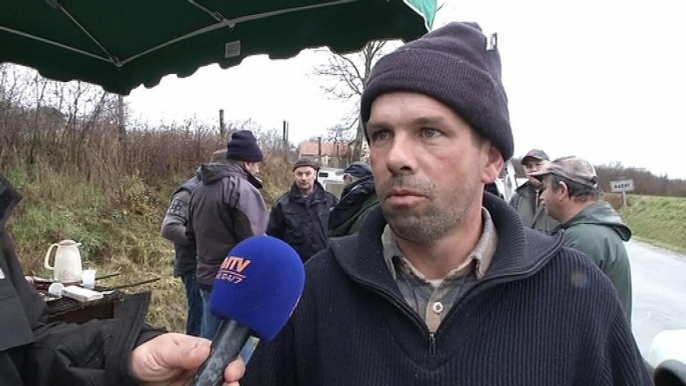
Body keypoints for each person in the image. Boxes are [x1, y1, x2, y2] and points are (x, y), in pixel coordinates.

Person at [241, 22, 650, 385]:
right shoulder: (319, 287)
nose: (396, 156)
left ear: (490, 159)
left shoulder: (578, 294)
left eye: (429, 131)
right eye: (381, 134)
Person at [0, 174, 244, 385]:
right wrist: (195, 239)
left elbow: (32, 345)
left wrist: (126, 357)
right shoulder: (207, 191)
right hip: (199, 268)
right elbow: (173, 228)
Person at [187, 130, 268, 343]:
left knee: (208, 343)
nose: (258, 168)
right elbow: (256, 244)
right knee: (235, 349)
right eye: (257, 163)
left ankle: (204, 377)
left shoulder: (199, 189)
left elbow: (189, 234)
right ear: (247, 162)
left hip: (204, 276)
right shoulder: (242, 190)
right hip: (234, 281)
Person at [533, 156, 633, 321]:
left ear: (562, 191)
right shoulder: (595, 231)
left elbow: (560, 312)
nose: (542, 197)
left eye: (544, 189)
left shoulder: (582, 239)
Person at [160, 149, 226, 336]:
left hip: (211, 266)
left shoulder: (219, 189)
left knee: (212, 322)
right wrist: (203, 238)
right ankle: (191, 363)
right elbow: (169, 227)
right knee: (199, 321)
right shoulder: (189, 191)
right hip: (193, 266)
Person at [267, 158, 338, 262]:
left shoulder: (330, 201)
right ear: (294, 176)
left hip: (324, 261)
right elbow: (273, 236)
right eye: (299, 174)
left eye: (308, 174)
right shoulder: (282, 204)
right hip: (294, 261)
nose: (303, 178)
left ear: (315, 175)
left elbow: (340, 231)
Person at [509, 149, 559, 234]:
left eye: (538, 164)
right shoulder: (517, 198)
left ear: (550, 166)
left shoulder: (559, 196)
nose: (533, 169)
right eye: (529, 166)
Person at [328, 161, 379, 236]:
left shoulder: (354, 197)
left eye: (344, 177)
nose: (343, 182)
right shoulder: (370, 196)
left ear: (350, 178)